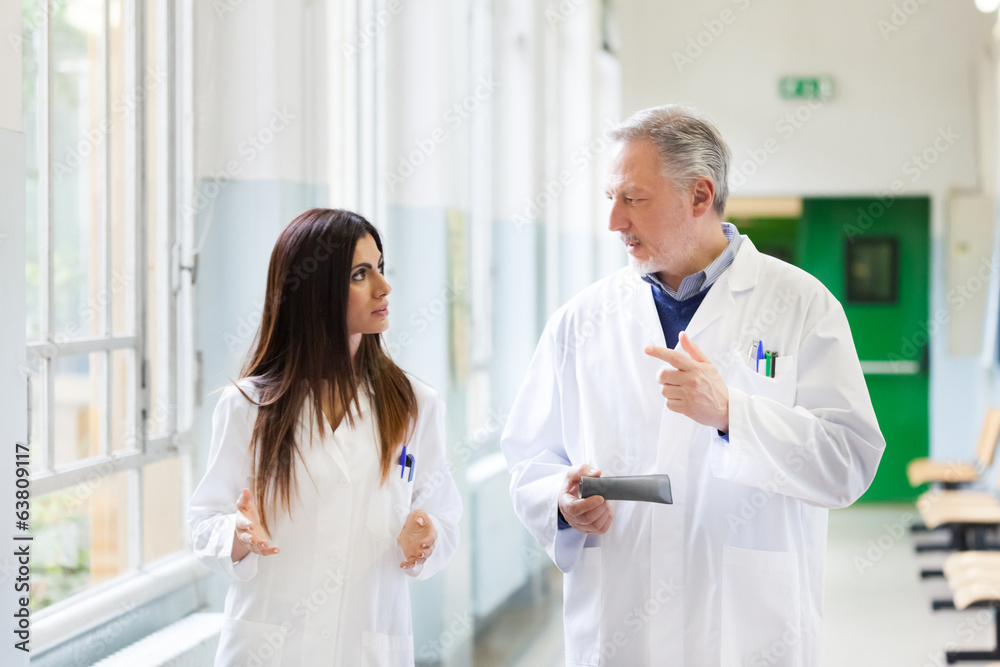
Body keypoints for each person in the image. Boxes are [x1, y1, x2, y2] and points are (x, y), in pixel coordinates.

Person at [501, 105, 885, 666]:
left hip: (746, 630)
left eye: (633, 198)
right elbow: (528, 459)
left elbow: (849, 461)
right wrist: (559, 502)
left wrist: (735, 415)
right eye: (610, 197)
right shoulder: (580, 320)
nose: (614, 221)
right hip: (620, 624)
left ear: (700, 195)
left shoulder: (801, 305)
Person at [188, 208, 462, 667]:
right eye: (360, 274)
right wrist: (237, 533)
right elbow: (203, 523)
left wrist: (428, 535)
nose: (384, 287)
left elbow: (444, 518)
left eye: (380, 267)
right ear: (314, 290)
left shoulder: (417, 405)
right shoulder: (247, 407)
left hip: (366, 648)